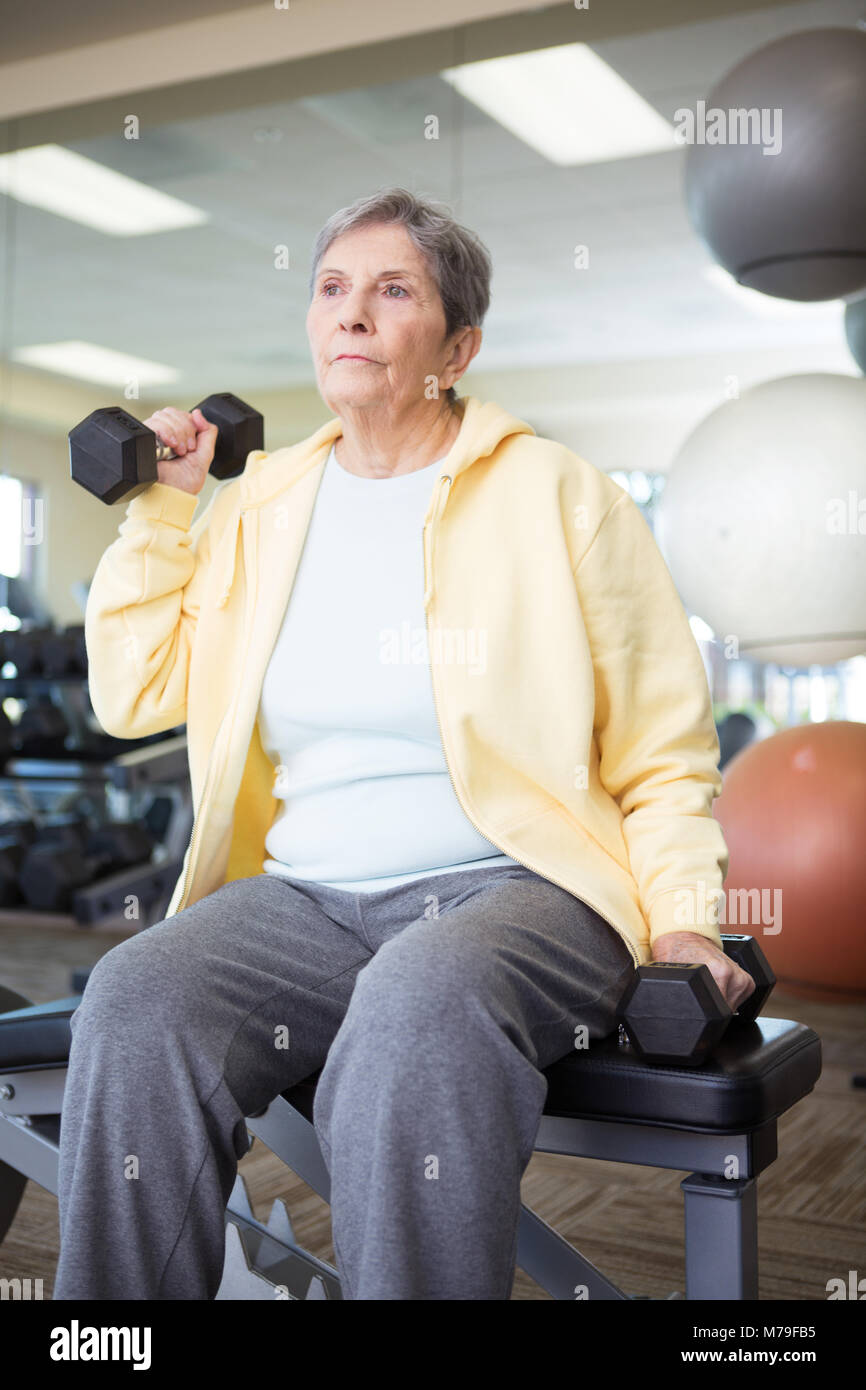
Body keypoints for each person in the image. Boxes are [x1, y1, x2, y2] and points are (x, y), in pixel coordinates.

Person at [54, 187, 753, 1301]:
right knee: (135, 1000)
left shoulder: (558, 495)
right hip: (305, 896)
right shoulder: (260, 504)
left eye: (392, 292)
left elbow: (662, 746)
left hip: (521, 887)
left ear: (457, 345)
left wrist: (681, 921)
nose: (352, 315)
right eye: (332, 288)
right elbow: (137, 696)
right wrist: (162, 514)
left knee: (417, 1000)